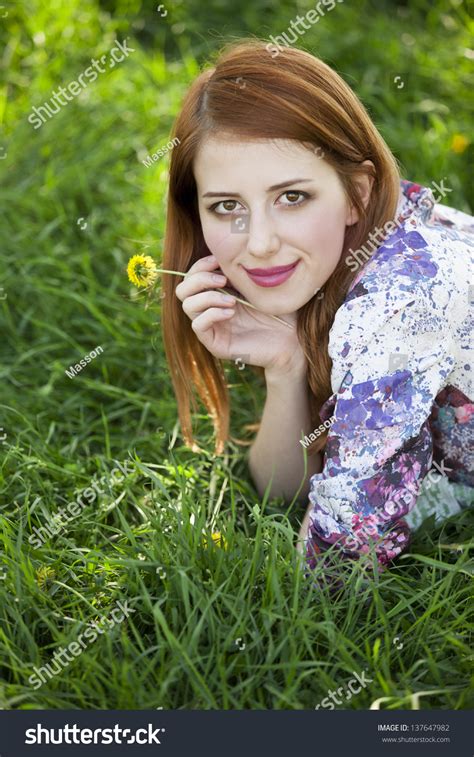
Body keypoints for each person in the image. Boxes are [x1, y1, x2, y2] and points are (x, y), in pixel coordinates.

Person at [161, 39, 473, 582]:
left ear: (357, 192)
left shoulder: (399, 305)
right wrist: (285, 367)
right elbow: (284, 492)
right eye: (227, 206)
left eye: (292, 197)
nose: (258, 243)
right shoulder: (359, 245)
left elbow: (340, 564)